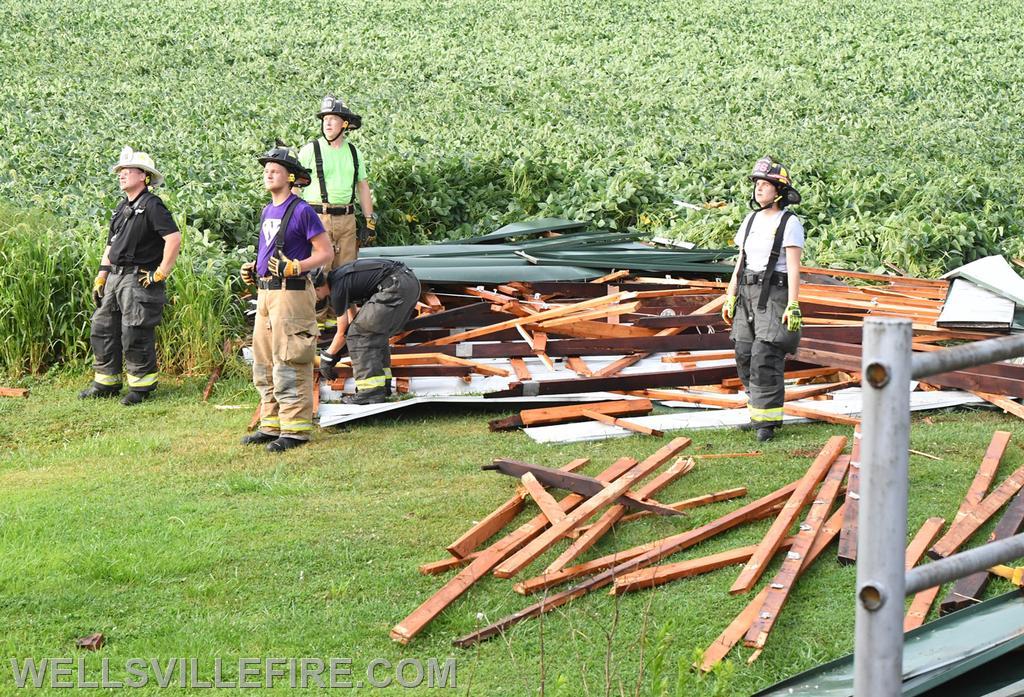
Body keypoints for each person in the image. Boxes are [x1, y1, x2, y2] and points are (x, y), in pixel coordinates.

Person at [239, 144, 333, 452]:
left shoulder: (303, 210)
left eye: (275, 169)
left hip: (291, 296)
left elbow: (325, 253)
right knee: (264, 361)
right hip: (266, 294)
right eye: (266, 168)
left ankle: (295, 430)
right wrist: (255, 268)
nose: (268, 172)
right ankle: (271, 424)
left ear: (291, 177)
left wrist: (297, 266)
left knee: (290, 357)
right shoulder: (268, 210)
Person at [80, 147, 181, 406]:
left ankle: (141, 386)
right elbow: (110, 245)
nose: (121, 175)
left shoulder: (152, 205)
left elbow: (173, 238)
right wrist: (102, 276)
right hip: (114, 277)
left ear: (144, 176)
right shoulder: (122, 208)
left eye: (127, 171)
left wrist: (161, 272)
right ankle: (105, 382)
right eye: (120, 171)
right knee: (102, 328)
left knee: (134, 331)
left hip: (138, 280)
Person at [721, 157, 805, 442]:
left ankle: (767, 423)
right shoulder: (751, 219)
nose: (759, 189)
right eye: (757, 184)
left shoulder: (790, 223)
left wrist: (793, 304)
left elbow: (794, 267)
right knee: (744, 352)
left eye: (765, 185)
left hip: (775, 294)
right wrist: (730, 295)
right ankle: (757, 413)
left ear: (778, 191)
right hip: (746, 291)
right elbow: (740, 261)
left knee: (765, 355)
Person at [316, 259, 420, 405]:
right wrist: (341, 348)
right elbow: (352, 322)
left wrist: (327, 359)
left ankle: (369, 392)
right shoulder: (339, 278)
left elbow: (341, 333)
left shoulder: (337, 291)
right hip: (406, 281)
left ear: (317, 288)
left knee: (361, 335)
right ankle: (382, 386)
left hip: (395, 286)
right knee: (371, 331)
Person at [298, 95, 376, 272]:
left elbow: (362, 186)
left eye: (333, 118)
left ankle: (343, 301)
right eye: (325, 119)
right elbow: (295, 186)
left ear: (345, 124)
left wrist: (370, 220)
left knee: (346, 273)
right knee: (318, 273)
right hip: (317, 218)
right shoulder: (310, 150)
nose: (327, 123)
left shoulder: (354, 152)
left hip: (347, 220)